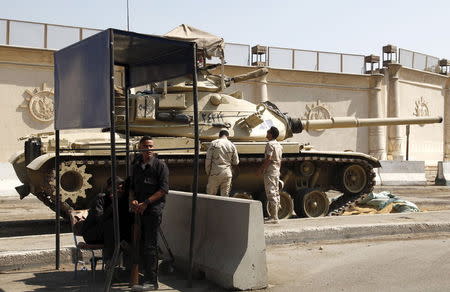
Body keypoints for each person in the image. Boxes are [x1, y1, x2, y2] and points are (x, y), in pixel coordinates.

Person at [129, 136, 169, 291]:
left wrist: (146, 203)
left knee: (150, 246)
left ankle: (152, 281)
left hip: (152, 210)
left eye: (151, 146)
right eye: (145, 146)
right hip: (139, 211)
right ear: (140, 148)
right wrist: (133, 200)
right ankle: (143, 276)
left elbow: (164, 189)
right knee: (140, 244)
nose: (149, 149)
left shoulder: (160, 166)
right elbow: (132, 187)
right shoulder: (137, 166)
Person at [81, 176, 130, 263]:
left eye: (121, 189)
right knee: (110, 224)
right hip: (92, 233)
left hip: (110, 234)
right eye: (117, 188)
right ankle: (109, 261)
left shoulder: (122, 199)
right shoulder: (101, 198)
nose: (120, 191)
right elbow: (100, 219)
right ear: (109, 188)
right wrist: (113, 204)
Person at [258, 126, 283, 223]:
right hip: (276, 170)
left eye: (268, 132)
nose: (266, 133)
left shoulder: (270, 144)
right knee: (276, 192)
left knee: (271, 192)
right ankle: (275, 215)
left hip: (270, 171)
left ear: (271, 134)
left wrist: (261, 169)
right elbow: (280, 160)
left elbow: (268, 159)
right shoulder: (279, 145)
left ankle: (274, 217)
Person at [205, 129, 239, 197]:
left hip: (215, 172)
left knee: (210, 195)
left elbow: (208, 160)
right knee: (225, 196)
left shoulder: (214, 143)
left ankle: (210, 207)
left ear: (219, 135)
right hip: (227, 173)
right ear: (227, 136)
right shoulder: (232, 145)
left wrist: (208, 172)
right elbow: (236, 162)